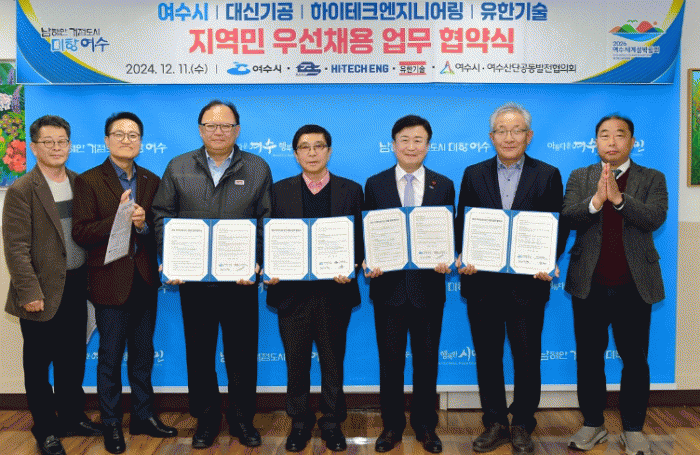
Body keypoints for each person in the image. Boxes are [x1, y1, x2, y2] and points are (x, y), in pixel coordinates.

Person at [152, 100, 272, 449]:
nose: (218, 132)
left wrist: (256, 260)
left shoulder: (257, 167)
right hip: (195, 282)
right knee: (200, 353)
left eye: (225, 126)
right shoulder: (178, 166)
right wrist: (172, 258)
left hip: (240, 281)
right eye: (211, 125)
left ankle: (242, 420)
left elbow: (266, 219)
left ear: (237, 130)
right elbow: (161, 215)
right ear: (200, 129)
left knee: (242, 354)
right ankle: (206, 420)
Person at [455, 102, 568, 455]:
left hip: (528, 285)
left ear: (529, 136)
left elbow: (558, 225)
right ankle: (494, 422)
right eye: (501, 131)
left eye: (516, 130)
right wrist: (464, 255)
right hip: (482, 284)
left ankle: (521, 423)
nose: (509, 137)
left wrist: (547, 260)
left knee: (527, 357)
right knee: (488, 357)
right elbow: (463, 223)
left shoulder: (548, 174)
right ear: (491, 137)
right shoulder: (473, 173)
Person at [72, 112, 176, 454]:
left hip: (144, 281)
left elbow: (159, 233)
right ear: (106, 140)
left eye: (133, 135)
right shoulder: (88, 181)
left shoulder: (150, 180)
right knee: (110, 358)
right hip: (108, 283)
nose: (126, 140)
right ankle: (112, 423)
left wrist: (142, 225)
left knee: (143, 356)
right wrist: (118, 219)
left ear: (141, 142)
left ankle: (144, 416)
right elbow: (81, 232)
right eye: (119, 134)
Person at [563, 115, 667, 455]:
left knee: (635, 359)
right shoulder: (580, 176)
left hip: (633, 285)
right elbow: (569, 216)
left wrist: (620, 199)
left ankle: (633, 429)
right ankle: (593, 424)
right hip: (589, 283)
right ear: (595, 142)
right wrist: (596, 200)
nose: (611, 141)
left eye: (619, 135)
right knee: (589, 358)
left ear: (632, 142)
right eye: (604, 135)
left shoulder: (652, 177)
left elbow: (654, 218)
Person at [3, 115, 102, 455]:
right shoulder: (22, 190)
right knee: (38, 365)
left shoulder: (79, 183)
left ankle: (72, 418)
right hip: (40, 292)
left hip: (77, 286)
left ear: (70, 145)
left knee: (72, 359)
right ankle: (45, 428)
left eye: (62, 142)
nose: (57, 148)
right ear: (34, 147)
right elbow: (16, 247)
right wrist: (29, 292)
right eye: (49, 142)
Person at [265, 124, 364, 452]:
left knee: (333, 363)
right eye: (304, 147)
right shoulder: (278, 191)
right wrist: (268, 267)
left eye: (319, 146)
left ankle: (332, 423)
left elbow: (360, 240)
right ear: (295, 154)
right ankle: (299, 422)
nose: (312, 153)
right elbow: (266, 237)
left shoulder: (351, 190)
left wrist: (352, 266)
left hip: (334, 293)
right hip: (291, 294)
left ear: (329, 151)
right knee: (296, 363)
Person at [364, 115, 454, 454]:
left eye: (418, 140)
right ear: (393, 145)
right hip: (388, 289)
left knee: (427, 362)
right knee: (390, 363)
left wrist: (449, 256)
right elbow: (366, 233)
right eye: (405, 140)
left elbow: (451, 232)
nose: (411, 146)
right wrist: (368, 260)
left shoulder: (444, 185)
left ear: (428, 146)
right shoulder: (375, 184)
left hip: (428, 289)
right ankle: (391, 426)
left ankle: (425, 426)